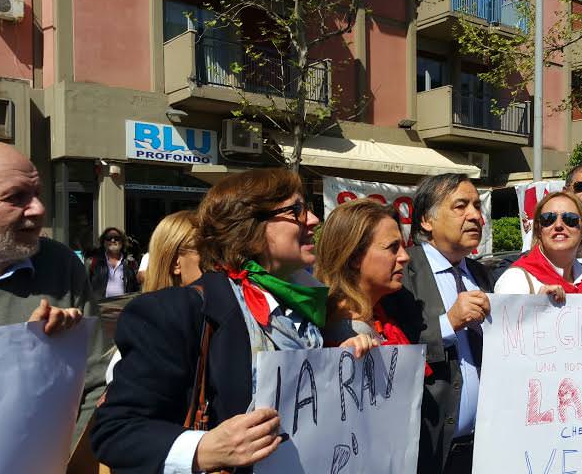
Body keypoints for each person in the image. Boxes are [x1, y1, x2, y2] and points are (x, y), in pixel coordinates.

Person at [91, 168, 374, 473]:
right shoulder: (176, 310)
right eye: (296, 210)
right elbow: (115, 432)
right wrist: (203, 448)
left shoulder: (307, 305)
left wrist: (342, 363)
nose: (314, 221)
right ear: (249, 227)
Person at [0, 139, 104, 445]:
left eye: (36, 194)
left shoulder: (61, 266)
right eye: (15, 198)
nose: (38, 209)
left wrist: (59, 461)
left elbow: (96, 385)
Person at [382, 173, 493, 474]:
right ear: (427, 221)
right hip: (429, 452)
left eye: (476, 206)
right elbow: (392, 356)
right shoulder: (402, 274)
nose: (475, 216)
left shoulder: (483, 275)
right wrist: (449, 323)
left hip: (484, 449)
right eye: (460, 206)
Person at [105, 210, 203, 384]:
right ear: (175, 263)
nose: (219, 264)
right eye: (206, 253)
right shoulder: (143, 338)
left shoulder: (214, 318)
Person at [315, 198, 417, 349]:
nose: (405, 257)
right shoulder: (347, 332)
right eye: (393, 247)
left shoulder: (374, 315)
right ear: (354, 257)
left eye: (402, 246)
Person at [496, 191, 582, 298]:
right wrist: (537, 306)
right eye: (548, 219)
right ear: (538, 230)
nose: (558, 225)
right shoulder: (515, 279)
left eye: (570, 219)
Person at [85, 227, 140, 299]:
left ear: (122, 242)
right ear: (103, 242)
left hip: (124, 307)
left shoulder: (130, 263)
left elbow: (136, 290)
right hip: (100, 308)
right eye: (109, 238)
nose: (113, 240)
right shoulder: (93, 262)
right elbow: (84, 288)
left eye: (117, 238)